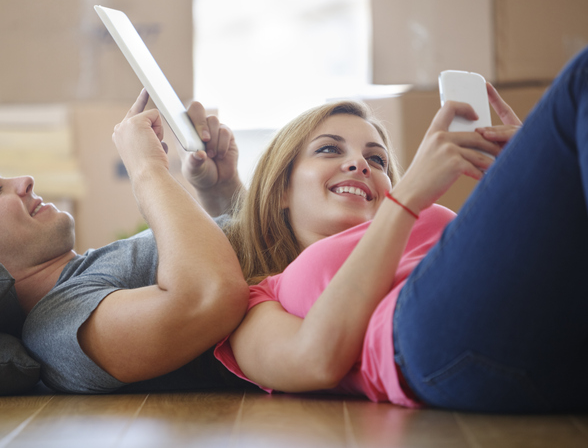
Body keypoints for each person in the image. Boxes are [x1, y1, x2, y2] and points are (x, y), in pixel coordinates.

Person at [212, 47, 588, 413]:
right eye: (329, 150)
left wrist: (537, 182)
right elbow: (314, 361)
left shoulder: (405, 219)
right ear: (281, 190)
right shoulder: (258, 302)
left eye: (377, 159)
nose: (359, 164)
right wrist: (406, 199)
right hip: (426, 338)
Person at [0, 90, 252, 394]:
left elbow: (245, 256)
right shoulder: (58, 328)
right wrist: (147, 170)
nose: (25, 181)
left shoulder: (90, 267)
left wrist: (220, 191)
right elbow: (207, 299)